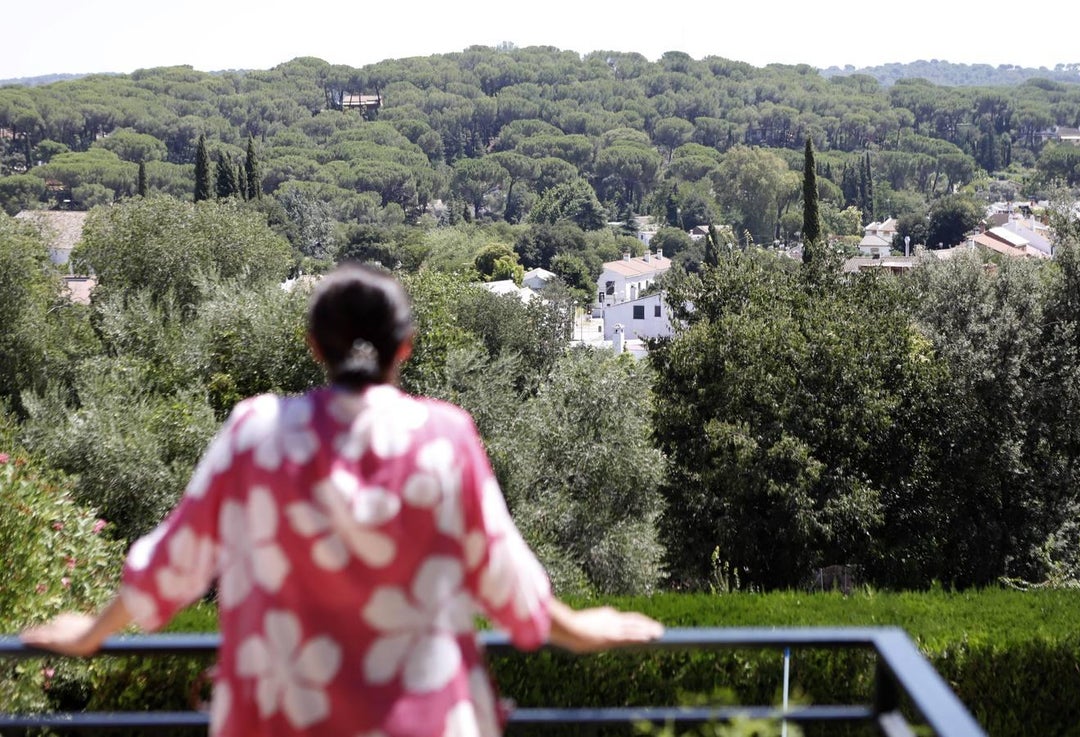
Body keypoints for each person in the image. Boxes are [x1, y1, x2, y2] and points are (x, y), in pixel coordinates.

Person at [22, 262, 663, 737]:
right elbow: (504, 578)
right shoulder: (445, 436)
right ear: (405, 349)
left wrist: (92, 633)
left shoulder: (255, 433)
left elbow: (175, 563)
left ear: (313, 346)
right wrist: (581, 631)